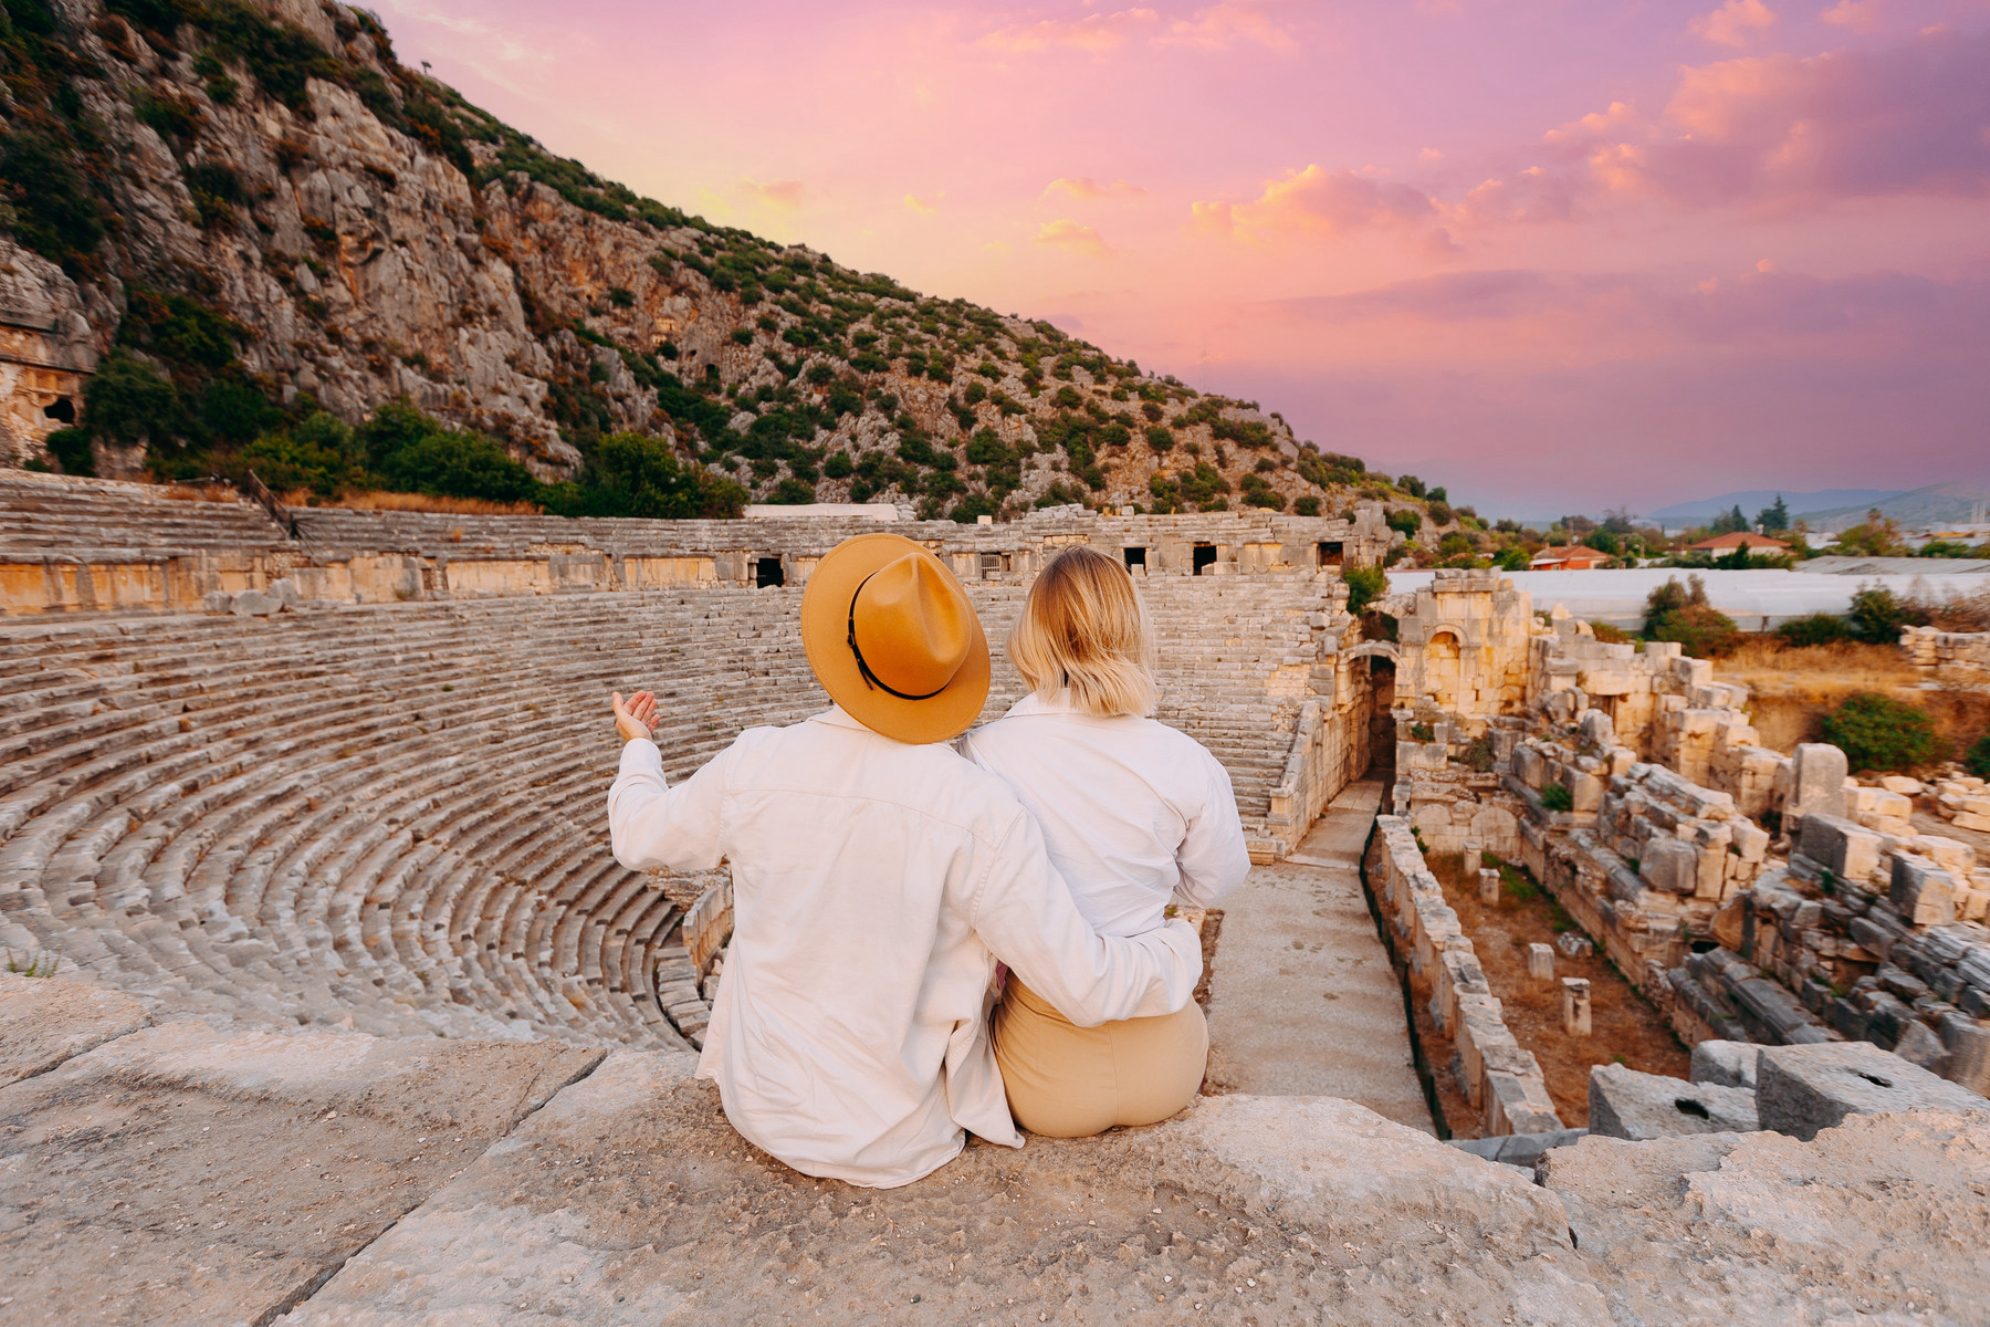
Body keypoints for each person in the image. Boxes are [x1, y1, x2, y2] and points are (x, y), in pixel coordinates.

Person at [605, 533, 1202, 1188]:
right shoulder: (978, 807)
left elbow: (638, 834)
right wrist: (1178, 945)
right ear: (944, 671)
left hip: (761, 1106)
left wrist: (639, 750)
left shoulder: (756, 761)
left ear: (844, 645)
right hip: (895, 1139)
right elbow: (1083, 981)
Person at [961, 545, 1250, 1137]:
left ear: (1032, 636)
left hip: (1044, 1071)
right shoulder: (1184, 760)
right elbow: (1216, 883)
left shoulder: (980, 754)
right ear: (1131, 629)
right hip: (1165, 1059)